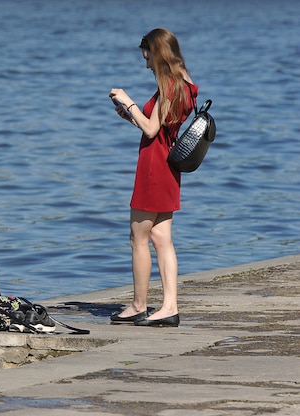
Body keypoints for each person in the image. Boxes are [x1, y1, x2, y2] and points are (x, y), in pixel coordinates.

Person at [108, 28, 198, 327]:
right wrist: (130, 115)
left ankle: (138, 305)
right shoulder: (185, 83)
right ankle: (169, 306)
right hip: (168, 167)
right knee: (162, 238)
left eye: (146, 55)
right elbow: (159, 128)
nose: (145, 62)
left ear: (156, 53)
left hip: (154, 168)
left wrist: (127, 100)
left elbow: (150, 131)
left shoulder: (170, 85)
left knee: (138, 238)